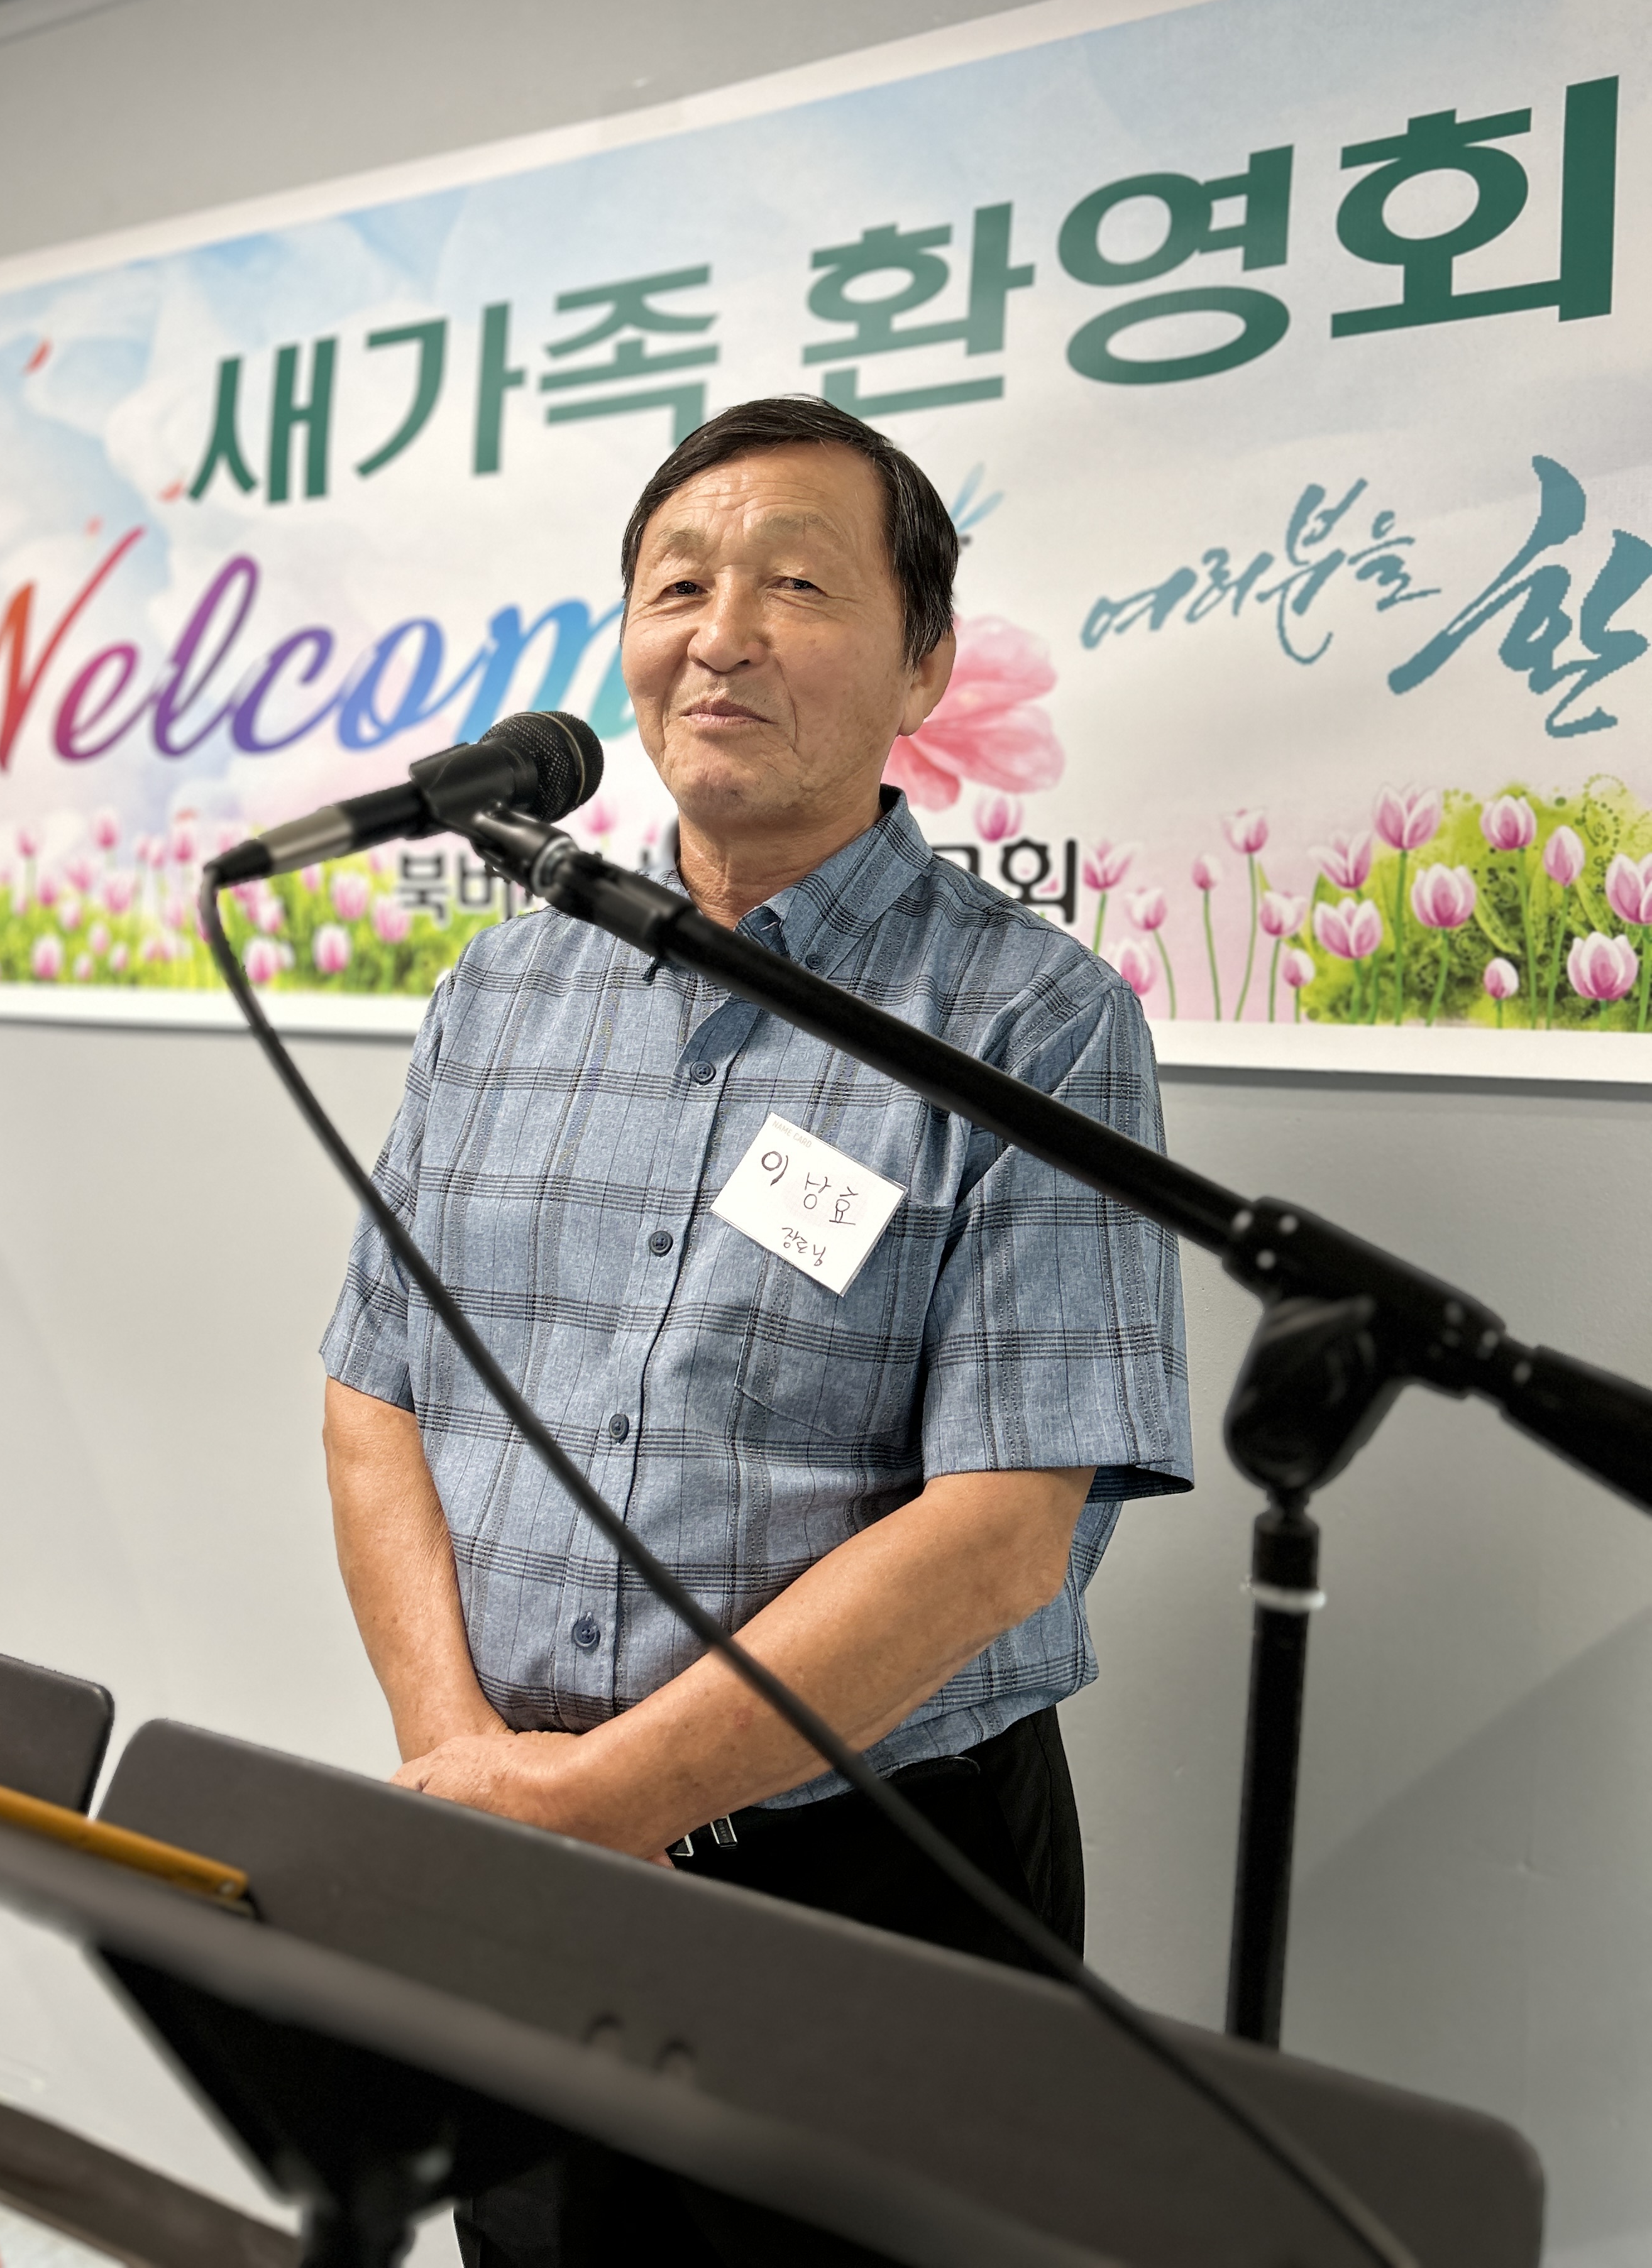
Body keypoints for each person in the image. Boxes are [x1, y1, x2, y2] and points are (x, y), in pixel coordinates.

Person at [319, 394, 1191, 2253]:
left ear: (924, 665)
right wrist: (469, 1761)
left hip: (880, 1875)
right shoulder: (501, 989)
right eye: (676, 585)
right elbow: (374, 1390)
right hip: (516, 1838)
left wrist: (606, 1798)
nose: (722, 635)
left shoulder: (1035, 1022)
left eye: (797, 583)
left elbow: (1004, 1533)